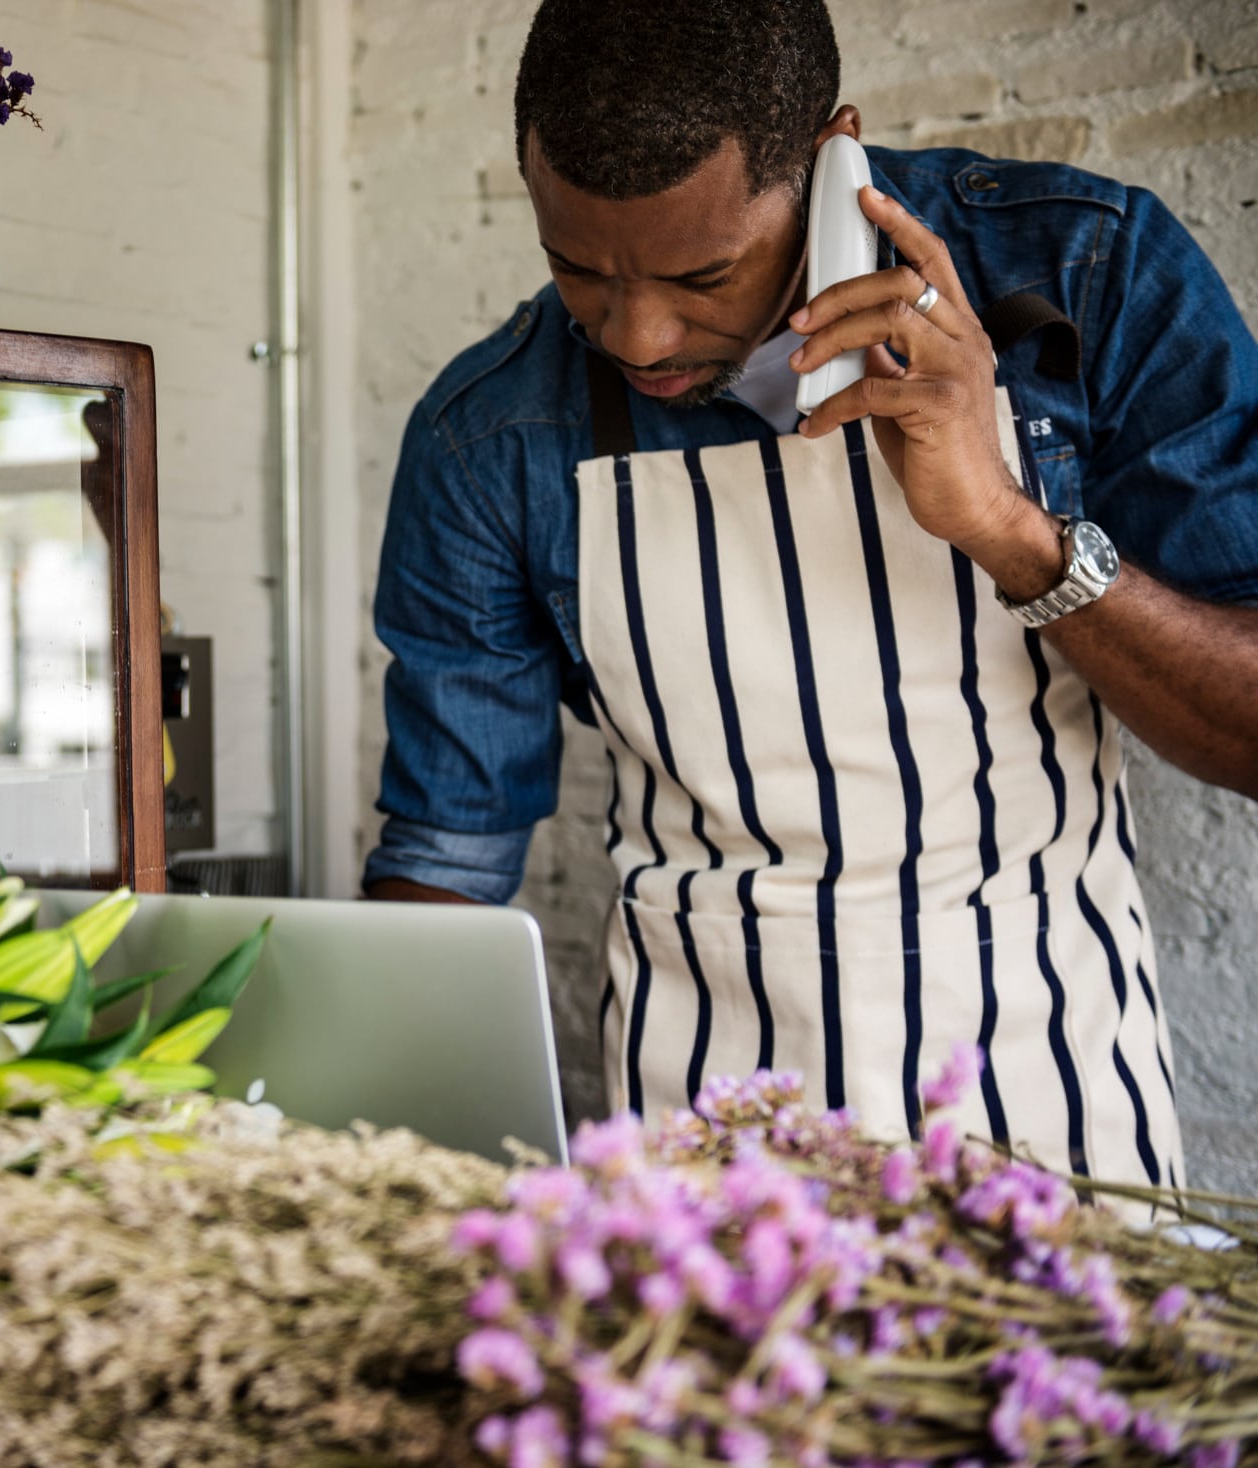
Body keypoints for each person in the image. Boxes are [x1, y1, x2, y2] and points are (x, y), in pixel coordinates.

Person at [363, 0, 1258, 1190]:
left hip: (1054, 1137)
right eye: (575, 266)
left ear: (830, 152)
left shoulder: (1086, 276)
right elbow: (448, 856)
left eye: (700, 273)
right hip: (696, 1178)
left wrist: (1003, 522)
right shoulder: (488, 438)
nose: (634, 334)